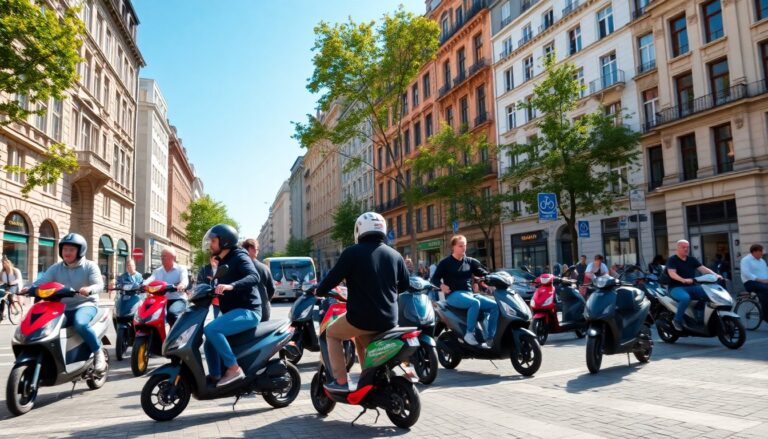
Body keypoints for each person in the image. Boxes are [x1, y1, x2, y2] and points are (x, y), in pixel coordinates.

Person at [315, 212, 409, 392]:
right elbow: (404, 285)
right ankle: (369, 376)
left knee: (332, 334)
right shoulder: (395, 255)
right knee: (360, 336)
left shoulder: (351, 253)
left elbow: (332, 278)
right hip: (390, 320)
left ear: (359, 230)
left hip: (361, 318)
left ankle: (341, 381)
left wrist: (319, 291)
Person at [25, 233, 106, 371]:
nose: (67, 253)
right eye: (65, 249)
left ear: (80, 251)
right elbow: (42, 282)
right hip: (61, 307)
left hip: (85, 304)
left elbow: (99, 285)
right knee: (42, 326)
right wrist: (28, 288)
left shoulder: (90, 266)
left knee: (80, 323)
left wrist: (89, 289)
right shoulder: (56, 268)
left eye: (71, 250)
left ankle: (98, 353)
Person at [201, 224, 261, 387]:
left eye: (213, 241)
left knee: (212, 329)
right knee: (209, 340)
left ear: (225, 242)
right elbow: (217, 283)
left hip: (249, 311)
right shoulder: (222, 260)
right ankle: (215, 376)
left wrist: (232, 286)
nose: (211, 245)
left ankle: (234, 368)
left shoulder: (240, 256)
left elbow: (254, 276)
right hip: (234, 311)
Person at [431, 235, 498, 347]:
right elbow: (434, 279)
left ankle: (490, 337)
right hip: (453, 295)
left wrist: (495, 278)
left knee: (495, 306)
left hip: (469, 294)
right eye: (460, 246)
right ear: (453, 247)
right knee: (475, 303)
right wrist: (441, 285)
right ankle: (469, 333)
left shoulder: (470, 262)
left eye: (465, 245)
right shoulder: (445, 262)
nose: (463, 248)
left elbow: (483, 273)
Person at [667, 239, 722, 331]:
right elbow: (672, 273)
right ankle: (677, 320)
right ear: (678, 248)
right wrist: (682, 280)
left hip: (692, 286)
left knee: (709, 294)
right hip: (676, 287)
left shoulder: (691, 259)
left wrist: (715, 275)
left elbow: (703, 269)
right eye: (683, 247)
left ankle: (700, 315)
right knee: (685, 298)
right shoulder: (672, 260)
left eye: (687, 247)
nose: (686, 249)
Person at [144, 248, 189, 328]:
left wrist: (182, 285)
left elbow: (184, 279)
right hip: (160, 300)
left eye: (164, 256)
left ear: (172, 257)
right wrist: (142, 285)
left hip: (177, 298)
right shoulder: (157, 271)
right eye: (161, 256)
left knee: (172, 314)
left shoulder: (181, 269)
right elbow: (150, 279)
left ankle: (176, 337)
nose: (162, 258)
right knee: (147, 314)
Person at [242, 239, 275, 322]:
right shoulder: (264, 268)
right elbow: (272, 289)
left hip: (246, 313)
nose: (257, 251)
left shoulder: (240, 268)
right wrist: (266, 300)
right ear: (249, 249)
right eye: (256, 249)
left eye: (257, 249)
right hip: (263, 310)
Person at [740, 244, 768, 322]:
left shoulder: (762, 261)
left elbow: (766, 271)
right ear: (754, 251)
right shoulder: (746, 260)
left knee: (764, 291)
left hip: (763, 282)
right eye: (761, 252)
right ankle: (766, 316)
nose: (762, 253)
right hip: (750, 282)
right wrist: (760, 280)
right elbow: (746, 273)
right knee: (766, 290)